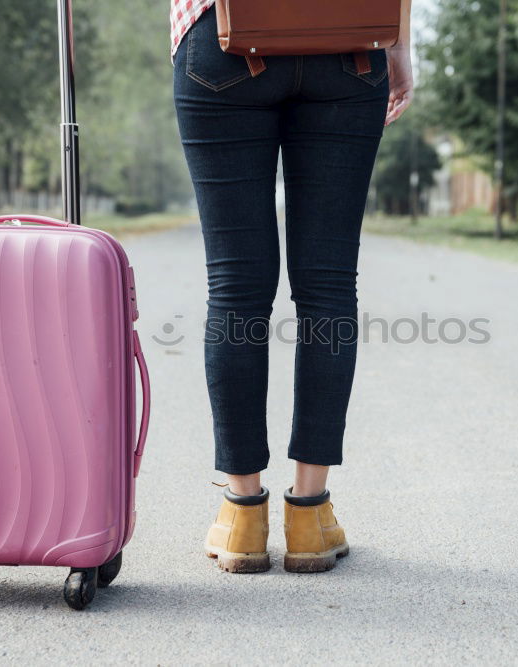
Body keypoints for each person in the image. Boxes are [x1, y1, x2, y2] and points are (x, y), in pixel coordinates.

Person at [171, 1, 413, 573]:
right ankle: (308, 516)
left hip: (222, 40)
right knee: (328, 283)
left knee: (235, 285)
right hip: (349, 41)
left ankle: (241, 517)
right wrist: (399, 48)